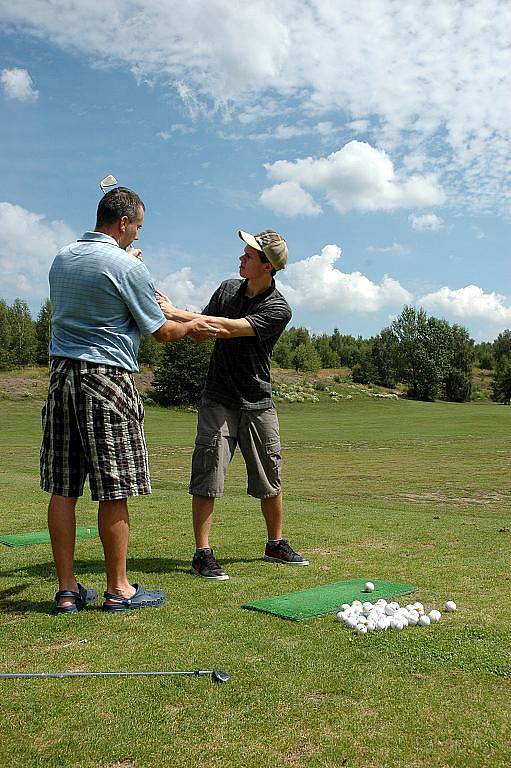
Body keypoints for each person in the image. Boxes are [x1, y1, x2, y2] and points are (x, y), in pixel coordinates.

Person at [41, 187, 219, 613]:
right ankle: (119, 588)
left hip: (60, 377)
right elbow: (160, 330)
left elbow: (101, 295)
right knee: (112, 489)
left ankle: (67, 591)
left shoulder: (62, 256)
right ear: (123, 222)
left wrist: (128, 270)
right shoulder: (125, 266)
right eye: (137, 227)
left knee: (63, 490)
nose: (138, 236)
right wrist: (193, 328)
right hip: (107, 380)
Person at [156, 229, 308, 580]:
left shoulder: (278, 308)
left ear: (267, 266)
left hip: (258, 402)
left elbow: (230, 328)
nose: (241, 258)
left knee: (270, 476)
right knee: (207, 473)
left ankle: (275, 543)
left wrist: (175, 311)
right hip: (218, 399)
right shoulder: (226, 289)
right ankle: (202, 553)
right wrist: (173, 317)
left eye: (249, 255)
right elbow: (203, 326)